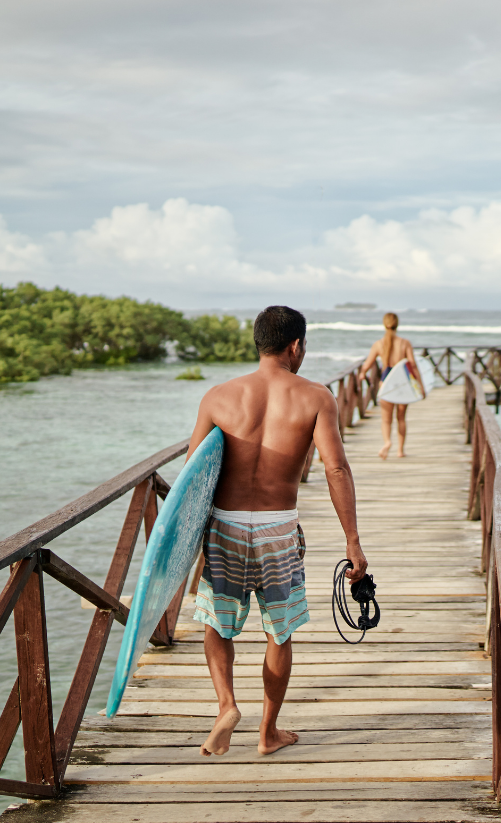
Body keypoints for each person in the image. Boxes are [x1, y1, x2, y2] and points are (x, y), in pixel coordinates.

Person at [186, 305, 368, 758]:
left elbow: (193, 476)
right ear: (296, 346)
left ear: (259, 343)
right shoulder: (316, 397)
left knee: (218, 625)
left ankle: (226, 706)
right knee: (278, 632)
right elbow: (337, 468)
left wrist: (188, 546)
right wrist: (352, 541)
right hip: (278, 530)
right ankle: (268, 732)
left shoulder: (218, 397)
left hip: (226, 526)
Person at [358, 313, 425, 459]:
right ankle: (400, 451)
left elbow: (367, 364)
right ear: (397, 324)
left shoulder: (378, 344)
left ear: (384, 324)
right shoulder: (405, 343)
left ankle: (387, 442)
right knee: (401, 418)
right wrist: (421, 386)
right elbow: (412, 365)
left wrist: (362, 373)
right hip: (403, 383)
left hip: (386, 382)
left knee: (386, 419)